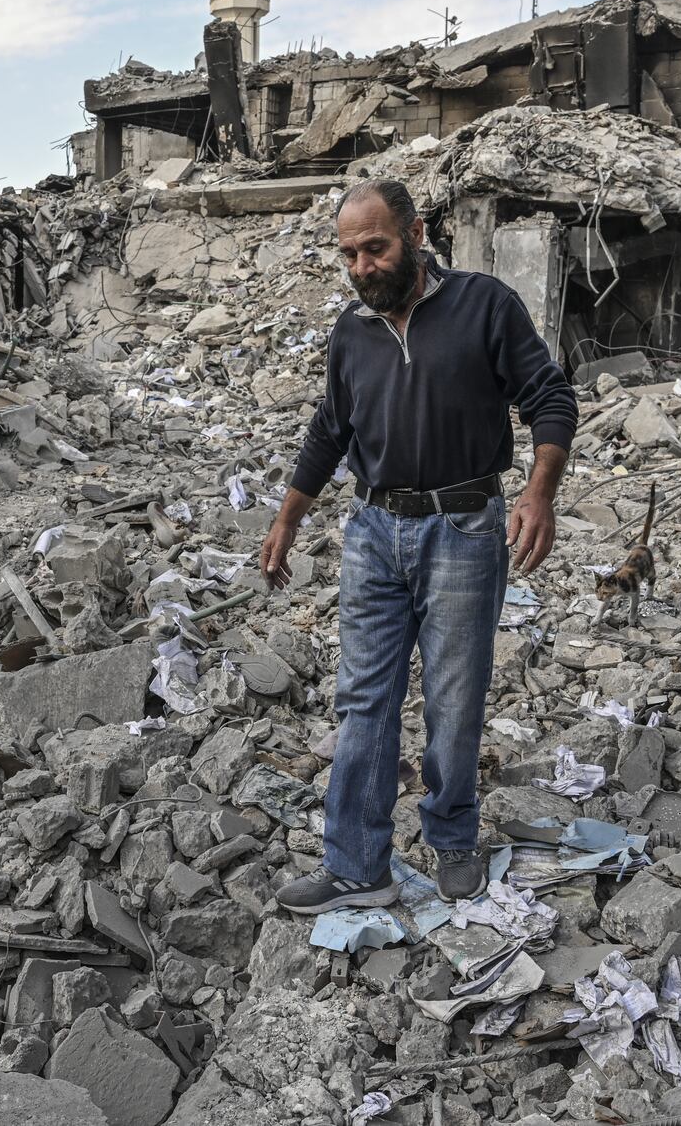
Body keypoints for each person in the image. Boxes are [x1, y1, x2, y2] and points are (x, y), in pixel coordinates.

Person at [260, 178, 577, 912]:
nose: (364, 266)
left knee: (454, 697)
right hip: (374, 530)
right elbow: (328, 432)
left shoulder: (484, 306)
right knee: (364, 695)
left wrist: (539, 492)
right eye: (350, 255)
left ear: (417, 233)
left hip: (465, 527)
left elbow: (550, 398)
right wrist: (286, 520)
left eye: (376, 248)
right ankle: (355, 863)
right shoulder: (351, 332)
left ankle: (453, 833)